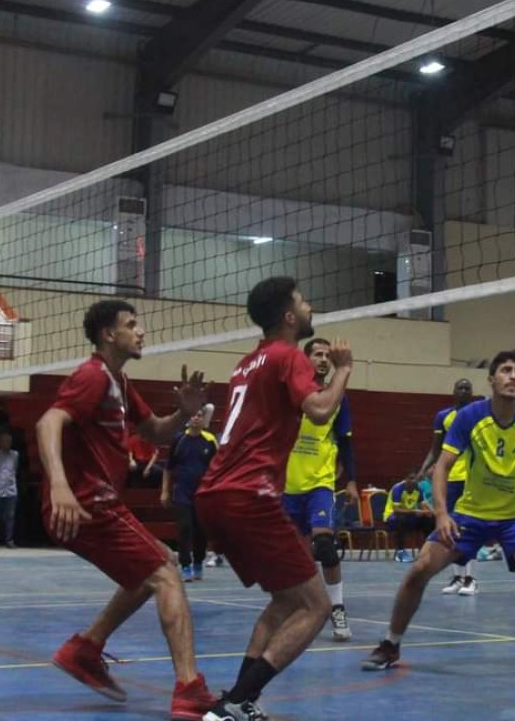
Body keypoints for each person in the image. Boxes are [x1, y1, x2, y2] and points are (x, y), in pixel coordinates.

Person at [34, 299, 213, 720]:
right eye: (132, 325)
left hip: (98, 504)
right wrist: (59, 485)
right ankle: (189, 689)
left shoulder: (119, 381)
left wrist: (183, 415)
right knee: (167, 575)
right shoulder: (92, 376)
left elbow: (154, 430)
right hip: (86, 506)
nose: (142, 330)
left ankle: (86, 649)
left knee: (152, 570)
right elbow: (48, 422)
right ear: (108, 335)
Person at [361, 350, 515, 677]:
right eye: (506, 370)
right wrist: (442, 514)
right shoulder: (470, 417)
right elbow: (442, 466)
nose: (513, 376)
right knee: (420, 568)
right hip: (470, 515)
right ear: (492, 379)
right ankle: (389, 643)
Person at [194, 277, 353, 721]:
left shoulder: (246, 363)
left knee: (285, 601)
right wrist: (342, 369)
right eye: (303, 302)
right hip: (250, 494)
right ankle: (233, 707)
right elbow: (320, 411)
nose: (310, 306)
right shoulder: (287, 356)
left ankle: (242, 698)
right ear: (288, 316)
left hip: (215, 493)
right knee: (317, 605)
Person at [283, 337, 358, 642]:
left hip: (320, 485)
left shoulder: (338, 398)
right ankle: (297, 607)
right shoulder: (291, 394)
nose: (324, 359)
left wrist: (351, 480)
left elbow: (347, 444)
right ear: (306, 359)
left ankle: (337, 608)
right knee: (293, 556)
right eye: (317, 354)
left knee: (324, 546)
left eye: (328, 355)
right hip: (287, 486)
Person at [419, 378, 479, 595]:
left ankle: (471, 579)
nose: (464, 390)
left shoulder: (477, 416)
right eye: (460, 387)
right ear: (453, 391)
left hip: (470, 479)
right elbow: (435, 449)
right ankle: (457, 577)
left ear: (472, 393)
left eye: (467, 388)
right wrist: (424, 467)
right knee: (449, 528)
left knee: (466, 527)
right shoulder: (443, 417)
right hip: (449, 479)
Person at [161, 408, 217, 582]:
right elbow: (168, 468)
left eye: (199, 415)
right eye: (193, 415)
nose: (196, 418)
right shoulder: (179, 440)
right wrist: (165, 491)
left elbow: (218, 468)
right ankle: (185, 565)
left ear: (203, 419)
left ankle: (198, 562)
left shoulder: (210, 441)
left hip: (202, 494)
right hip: (182, 493)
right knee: (184, 528)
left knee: (200, 531)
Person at [385, 473, 435, 561]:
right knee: (401, 520)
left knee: (429, 520)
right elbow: (397, 510)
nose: (413, 483)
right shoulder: (398, 488)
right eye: (411, 480)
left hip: (409, 517)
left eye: (414, 481)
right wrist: (415, 511)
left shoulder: (418, 489)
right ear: (406, 480)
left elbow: (423, 505)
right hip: (392, 518)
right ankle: (400, 552)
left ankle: (427, 550)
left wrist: (429, 513)